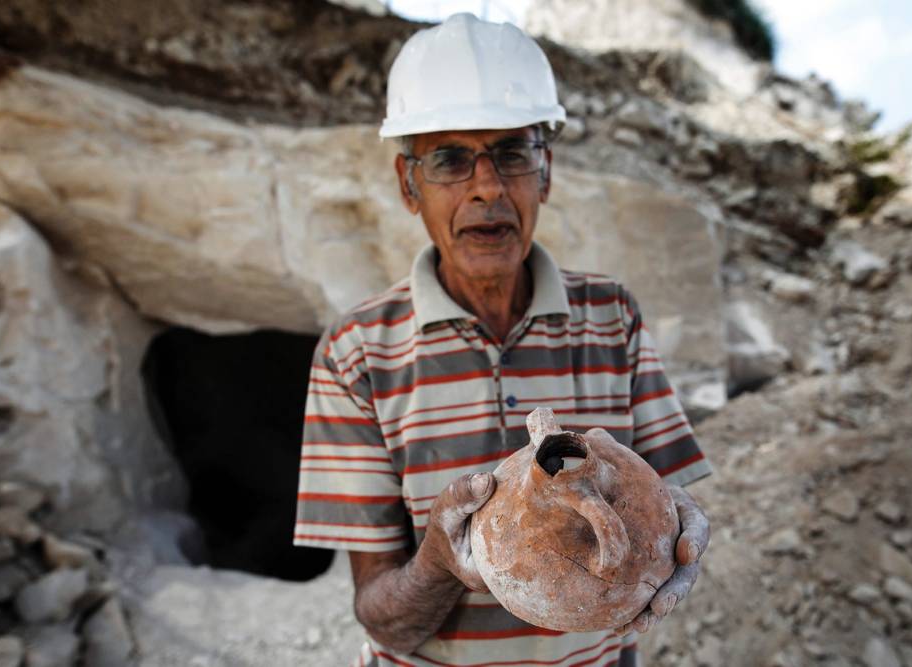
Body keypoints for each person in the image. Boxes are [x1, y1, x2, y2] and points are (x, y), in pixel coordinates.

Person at [293, 13, 713, 667]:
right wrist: (437, 561)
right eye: (451, 159)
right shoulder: (356, 353)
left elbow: (672, 503)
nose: (487, 186)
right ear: (410, 185)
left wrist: (681, 532)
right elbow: (382, 618)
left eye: (512, 153)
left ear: (544, 173)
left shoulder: (611, 317)